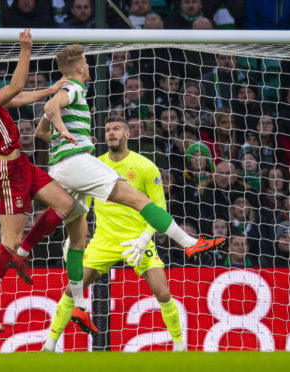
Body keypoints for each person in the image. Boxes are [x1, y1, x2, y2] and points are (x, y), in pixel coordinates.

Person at [36, 45, 225, 330]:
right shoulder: (73, 88)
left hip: (62, 169)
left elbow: (40, 131)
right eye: (86, 62)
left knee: (77, 239)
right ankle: (188, 243)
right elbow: (51, 108)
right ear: (78, 68)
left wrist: (59, 131)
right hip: (76, 162)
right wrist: (64, 131)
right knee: (136, 198)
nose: (88, 66)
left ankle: (77, 310)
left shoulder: (69, 93)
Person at [0, 29, 76, 333]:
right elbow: (17, 85)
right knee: (7, 240)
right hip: (7, 171)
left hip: (21, 164)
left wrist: (49, 91)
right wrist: (26, 49)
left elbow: (16, 97)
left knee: (65, 204)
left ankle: (22, 254)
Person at [40, 116, 187, 352]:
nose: (111, 133)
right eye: (107, 129)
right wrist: (72, 237)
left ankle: (180, 345)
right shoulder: (94, 165)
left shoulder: (145, 166)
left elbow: (160, 208)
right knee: (73, 288)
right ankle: (49, 344)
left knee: (163, 291)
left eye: (116, 129)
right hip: (103, 241)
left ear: (127, 134)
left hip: (136, 240)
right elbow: (79, 205)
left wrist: (143, 237)